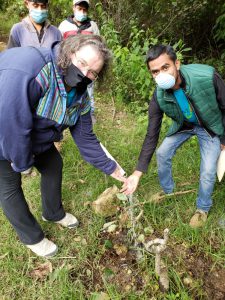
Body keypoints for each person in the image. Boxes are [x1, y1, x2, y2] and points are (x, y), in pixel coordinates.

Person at [0, 35, 125, 257]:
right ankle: (32, 237)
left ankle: (53, 212)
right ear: (69, 52)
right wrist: (22, 162)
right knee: (9, 186)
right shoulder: (33, 69)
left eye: (93, 73)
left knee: (53, 164)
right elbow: (11, 122)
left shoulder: (80, 96)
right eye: (82, 63)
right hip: (3, 134)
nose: (85, 74)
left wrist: (112, 168)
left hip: (35, 137)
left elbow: (86, 138)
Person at [122, 44, 225, 228]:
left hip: (209, 127)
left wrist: (224, 139)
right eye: (155, 72)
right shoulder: (158, 96)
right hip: (184, 125)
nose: (161, 75)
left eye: (165, 67)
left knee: (208, 170)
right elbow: (151, 134)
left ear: (176, 64)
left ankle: (202, 208)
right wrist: (138, 172)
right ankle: (167, 191)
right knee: (162, 153)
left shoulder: (206, 77)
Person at [59, 0, 100, 122]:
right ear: (74, 8)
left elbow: (99, 44)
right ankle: (64, 111)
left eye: (84, 9)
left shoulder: (92, 26)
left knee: (89, 88)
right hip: (68, 64)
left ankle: (89, 113)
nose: (82, 12)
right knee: (67, 87)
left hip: (88, 65)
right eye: (80, 9)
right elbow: (59, 44)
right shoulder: (64, 25)